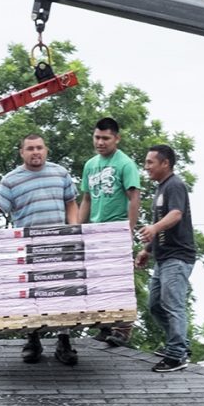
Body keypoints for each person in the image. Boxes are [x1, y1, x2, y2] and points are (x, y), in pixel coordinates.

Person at [0, 133, 78, 363]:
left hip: (58, 242)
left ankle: (64, 341)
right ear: (22, 152)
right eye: (30, 148)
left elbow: (71, 202)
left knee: (63, 292)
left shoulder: (60, 173)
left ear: (46, 149)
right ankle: (32, 339)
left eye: (39, 147)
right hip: (28, 246)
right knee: (32, 295)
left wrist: (75, 230)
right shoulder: (11, 180)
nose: (35, 152)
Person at [77, 117, 141, 347]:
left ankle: (123, 327)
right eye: (97, 137)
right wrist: (77, 228)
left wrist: (129, 230)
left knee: (119, 278)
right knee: (97, 278)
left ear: (116, 138)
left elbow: (134, 197)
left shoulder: (125, 163)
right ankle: (104, 324)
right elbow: (86, 198)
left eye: (105, 138)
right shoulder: (90, 164)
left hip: (116, 226)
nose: (100, 142)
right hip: (95, 229)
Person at [135, 144, 196, 373]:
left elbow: (176, 214)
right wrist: (147, 250)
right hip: (163, 258)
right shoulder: (162, 188)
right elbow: (160, 226)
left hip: (178, 257)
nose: (146, 167)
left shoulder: (175, 185)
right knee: (155, 306)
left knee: (173, 305)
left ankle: (176, 355)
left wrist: (154, 227)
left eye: (150, 162)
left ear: (165, 163)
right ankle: (180, 345)